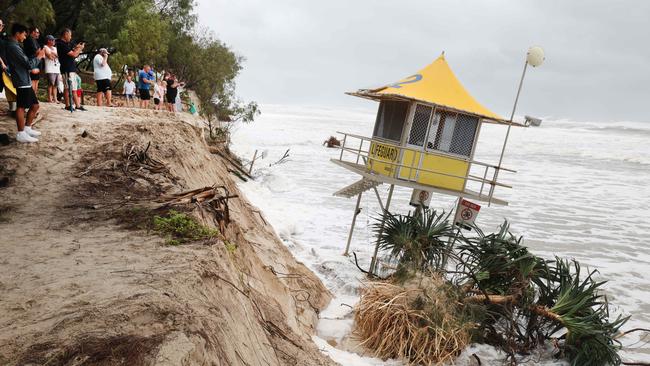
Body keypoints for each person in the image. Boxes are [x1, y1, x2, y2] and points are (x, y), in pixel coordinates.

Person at [5, 23, 45, 143]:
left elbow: (25, 63)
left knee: (35, 105)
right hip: (21, 80)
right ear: (17, 33)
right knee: (21, 107)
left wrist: (32, 66)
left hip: (25, 79)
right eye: (23, 34)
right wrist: (38, 57)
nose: (25, 37)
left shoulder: (16, 46)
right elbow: (27, 63)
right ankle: (21, 133)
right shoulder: (13, 47)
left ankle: (27, 128)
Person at [56, 28, 85, 111]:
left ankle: (76, 105)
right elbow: (74, 54)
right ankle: (70, 105)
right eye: (70, 35)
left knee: (71, 87)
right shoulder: (61, 44)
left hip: (69, 68)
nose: (70, 37)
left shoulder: (64, 44)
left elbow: (72, 52)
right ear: (65, 34)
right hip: (67, 69)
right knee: (69, 88)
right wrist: (80, 49)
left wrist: (76, 48)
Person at [23, 27, 41, 93]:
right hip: (32, 62)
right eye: (37, 32)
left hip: (36, 62)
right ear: (33, 32)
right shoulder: (30, 39)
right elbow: (37, 51)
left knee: (36, 80)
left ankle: (34, 97)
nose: (38, 34)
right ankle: (32, 98)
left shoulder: (34, 40)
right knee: (33, 80)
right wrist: (42, 51)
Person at [43, 35, 61, 103]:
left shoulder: (55, 48)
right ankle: (50, 98)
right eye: (53, 40)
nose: (54, 41)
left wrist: (54, 54)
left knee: (56, 85)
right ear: (48, 41)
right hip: (50, 68)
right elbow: (50, 56)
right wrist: (54, 54)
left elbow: (59, 55)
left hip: (57, 68)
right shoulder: (45, 47)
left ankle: (55, 98)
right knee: (51, 84)